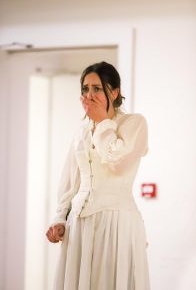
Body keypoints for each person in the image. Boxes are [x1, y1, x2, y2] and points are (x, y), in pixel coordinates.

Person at [46, 61, 150, 290]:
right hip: (79, 227)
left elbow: (117, 163)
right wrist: (60, 219)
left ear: (114, 92)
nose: (89, 95)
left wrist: (103, 122)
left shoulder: (134, 124)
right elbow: (70, 182)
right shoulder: (81, 133)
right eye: (85, 89)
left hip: (116, 224)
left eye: (97, 88)